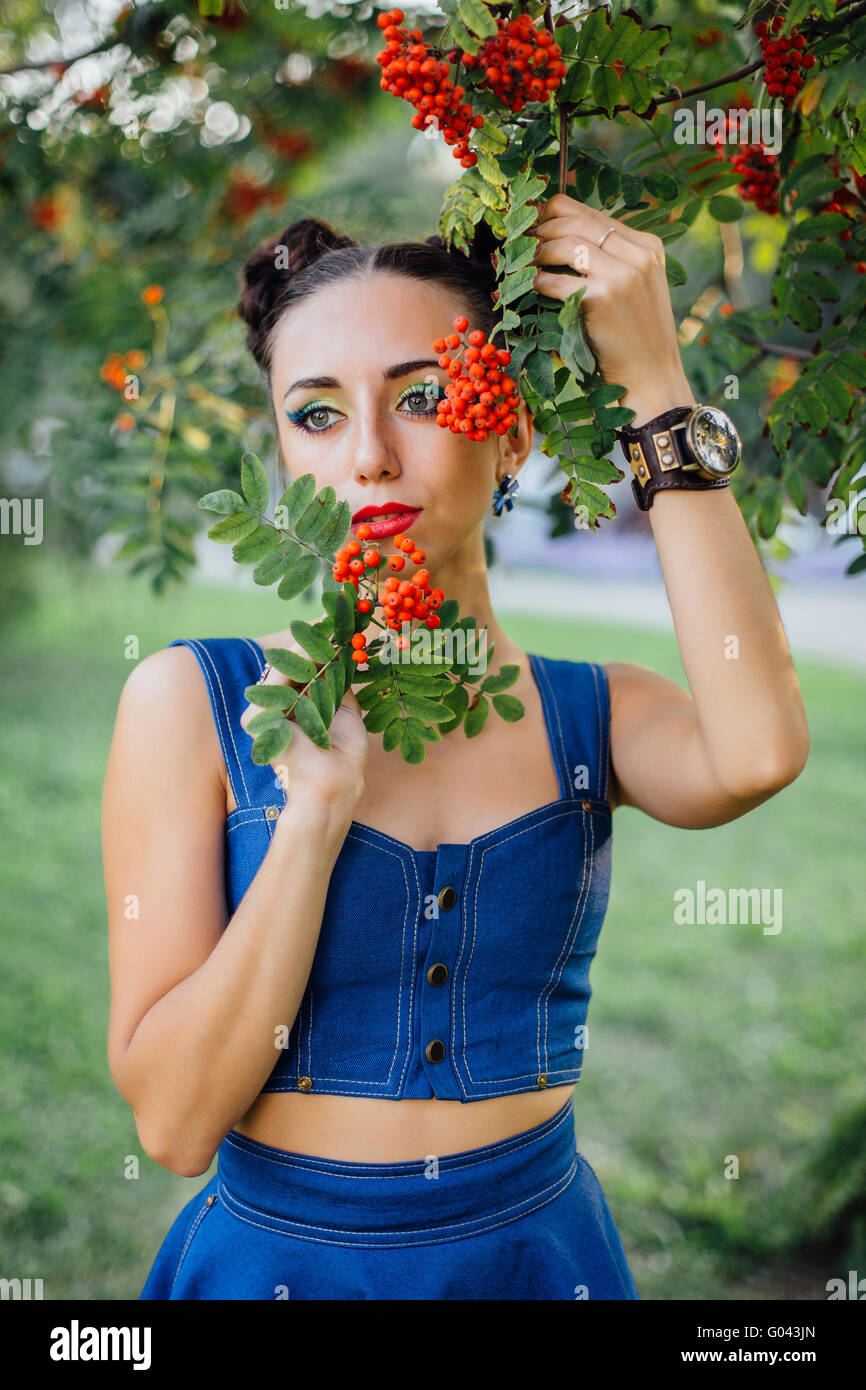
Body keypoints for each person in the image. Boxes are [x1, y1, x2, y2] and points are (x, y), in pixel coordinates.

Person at [103, 193, 810, 1301]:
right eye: (317, 414)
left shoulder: (593, 715)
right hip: (273, 1269)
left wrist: (657, 385)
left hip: (532, 1262)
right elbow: (175, 1123)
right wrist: (309, 823)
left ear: (511, 426)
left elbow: (758, 750)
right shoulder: (195, 703)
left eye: (422, 397)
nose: (370, 459)